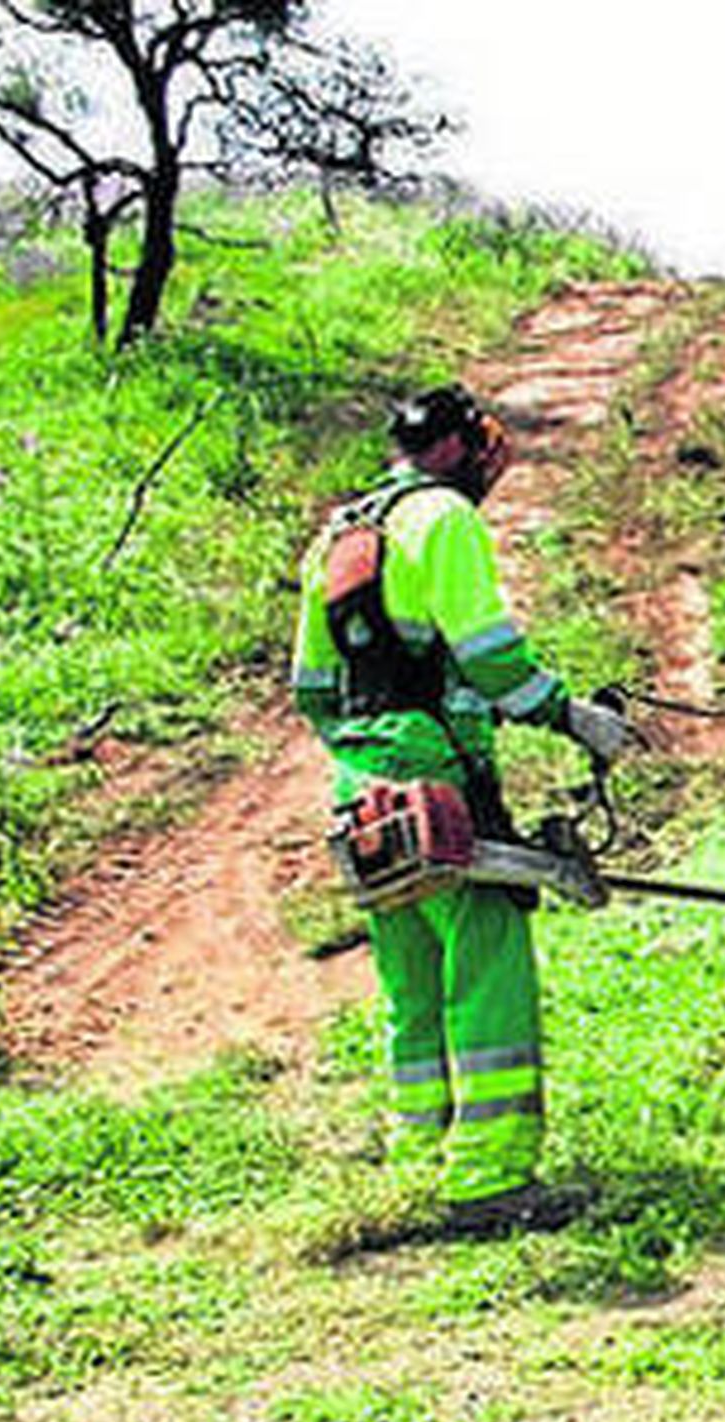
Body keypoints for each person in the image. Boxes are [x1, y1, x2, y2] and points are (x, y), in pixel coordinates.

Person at [290, 383, 632, 1234]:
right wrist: (570, 715)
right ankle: (487, 1180)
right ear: (450, 448)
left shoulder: (342, 532)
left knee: (411, 976)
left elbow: (312, 688)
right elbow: (488, 656)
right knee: (488, 959)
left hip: (360, 781)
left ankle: (417, 1160)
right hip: (436, 776)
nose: (487, 464)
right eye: (478, 447)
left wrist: (371, 748)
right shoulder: (442, 519)